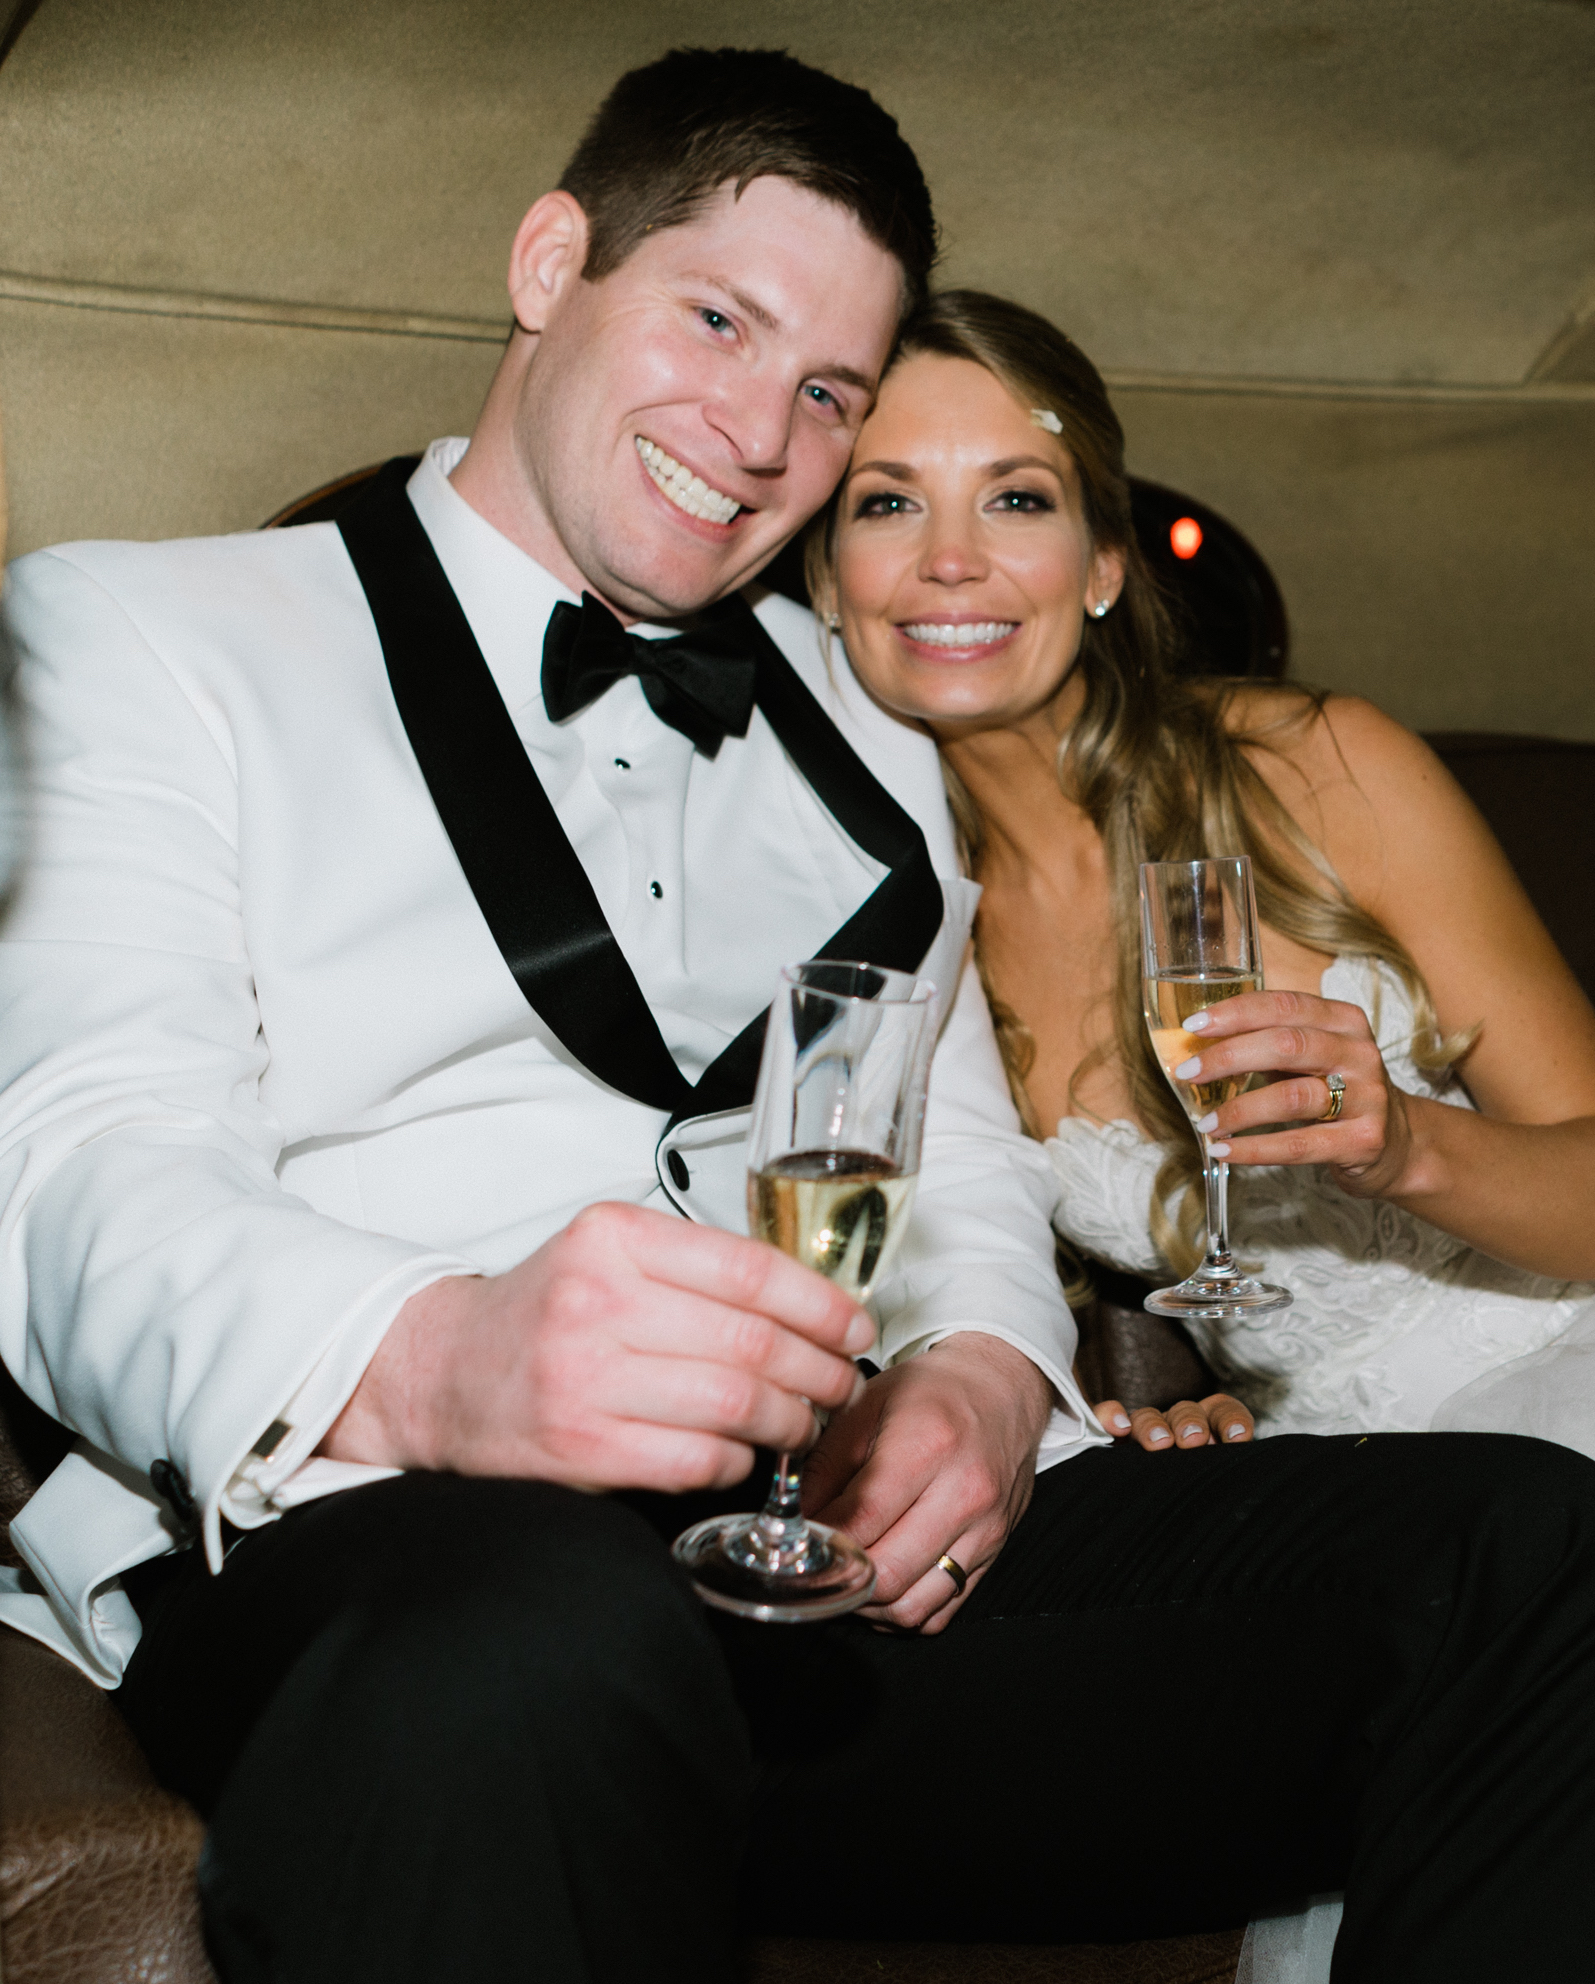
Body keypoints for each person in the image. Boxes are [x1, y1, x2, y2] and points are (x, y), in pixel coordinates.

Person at [4, 54, 1595, 1984]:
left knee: (1531, 1549)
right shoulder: (146, 633)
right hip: (395, 1535)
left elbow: (961, 1146)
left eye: (825, 390)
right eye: (716, 320)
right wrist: (433, 1359)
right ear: (548, 262)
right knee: (527, 1654)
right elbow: (76, 1157)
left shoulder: (865, 727)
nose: (761, 429)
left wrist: (994, 1378)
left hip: (837, 1567)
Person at [812, 286, 1595, 1462]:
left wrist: (1404, 1147)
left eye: (1015, 498)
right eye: (887, 504)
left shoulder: (1307, 765)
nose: (952, 560)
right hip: (1327, 1480)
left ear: (1102, 568)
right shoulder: (902, 933)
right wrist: (1153, 1411)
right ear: (826, 583)